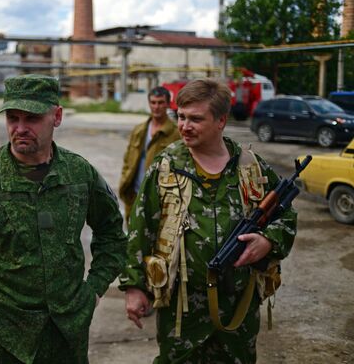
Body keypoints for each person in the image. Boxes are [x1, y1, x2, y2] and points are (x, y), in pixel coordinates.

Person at [0, 74, 127, 364]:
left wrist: (93, 289)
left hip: (67, 335)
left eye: (31, 118)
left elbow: (112, 234)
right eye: (12, 118)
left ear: (56, 116)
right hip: (5, 339)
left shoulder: (79, 174)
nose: (20, 128)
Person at [119, 79, 297, 363]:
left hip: (237, 306)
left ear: (221, 121)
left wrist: (268, 240)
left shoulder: (249, 166)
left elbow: (285, 215)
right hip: (182, 309)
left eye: (196, 119)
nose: (185, 126)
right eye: (181, 116)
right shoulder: (167, 166)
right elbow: (141, 230)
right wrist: (134, 287)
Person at [119, 86, 180, 221]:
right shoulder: (139, 130)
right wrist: (124, 180)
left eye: (160, 102)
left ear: (168, 104)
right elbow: (127, 159)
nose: (156, 107)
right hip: (134, 194)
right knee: (132, 236)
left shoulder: (176, 134)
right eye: (153, 102)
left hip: (159, 198)